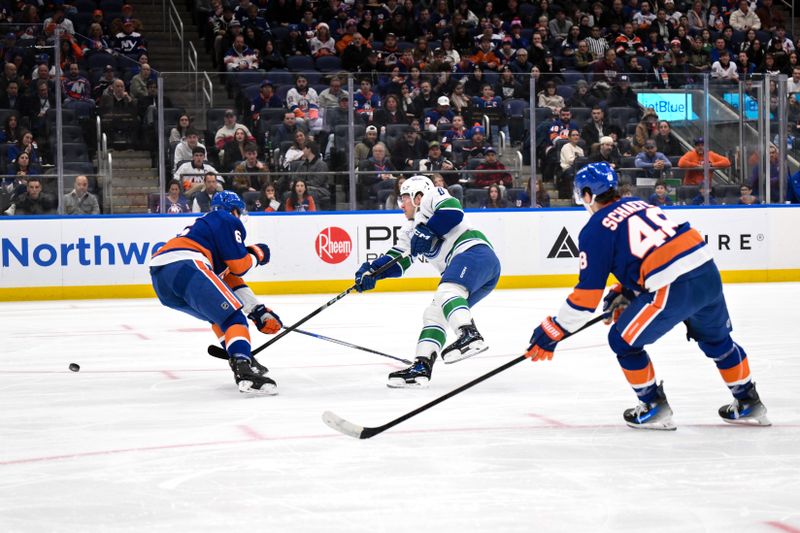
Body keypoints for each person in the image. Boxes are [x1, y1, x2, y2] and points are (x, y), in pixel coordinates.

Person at [524, 162, 770, 430]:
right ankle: (747, 400)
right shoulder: (641, 205)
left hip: (673, 285)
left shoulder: (594, 228)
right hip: (706, 271)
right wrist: (628, 289)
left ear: (587, 194)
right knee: (718, 340)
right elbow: (653, 249)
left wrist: (555, 328)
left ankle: (653, 407)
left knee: (622, 341)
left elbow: (586, 298)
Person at [353, 175, 501, 387]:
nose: (401, 204)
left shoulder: (433, 196)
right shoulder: (409, 231)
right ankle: (421, 368)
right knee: (434, 313)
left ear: (418, 196)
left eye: (404, 197)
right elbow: (398, 261)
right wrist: (372, 272)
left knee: (446, 292)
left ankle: (469, 334)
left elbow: (453, 211)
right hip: (474, 270)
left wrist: (429, 230)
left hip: (475, 253)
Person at [149, 191, 281, 395]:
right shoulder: (225, 218)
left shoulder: (208, 233)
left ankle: (240, 355)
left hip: (162, 280)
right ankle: (243, 368)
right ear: (234, 210)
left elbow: (229, 279)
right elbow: (239, 266)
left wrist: (258, 310)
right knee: (234, 319)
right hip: (187, 264)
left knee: (220, 317)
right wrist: (256, 254)